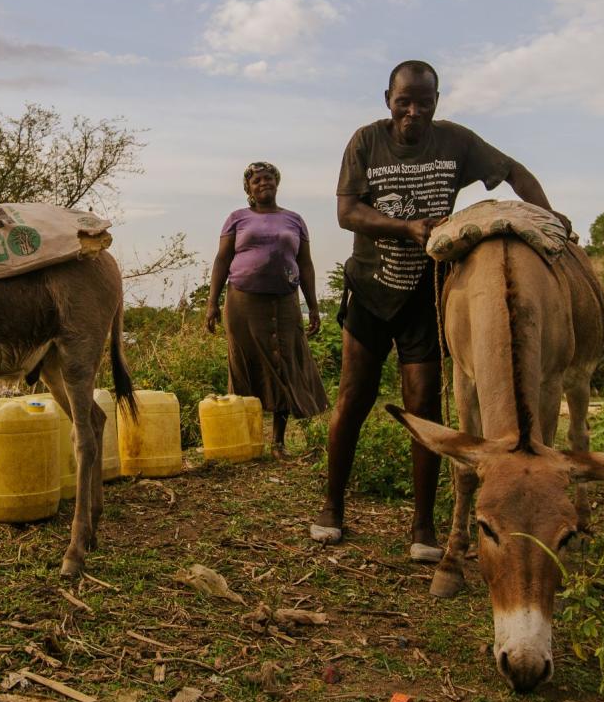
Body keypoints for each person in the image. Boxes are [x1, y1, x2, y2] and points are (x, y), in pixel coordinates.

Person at [314, 60, 569, 555]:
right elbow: (347, 213)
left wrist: (547, 216)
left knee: (426, 408)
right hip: (371, 287)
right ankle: (332, 506)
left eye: (423, 103)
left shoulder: (456, 141)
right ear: (387, 99)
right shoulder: (366, 142)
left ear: (437, 101)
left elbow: (515, 172)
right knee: (353, 398)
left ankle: (422, 527)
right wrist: (405, 228)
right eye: (403, 102)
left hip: (427, 295)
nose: (413, 112)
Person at [205, 161, 328, 455]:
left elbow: (305, 264)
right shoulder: (237, 218)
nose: (264, 184)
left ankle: (278, 442)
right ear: (248, 188)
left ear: (277, 183)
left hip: (284, 301)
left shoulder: (294, 219)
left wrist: (312, 305)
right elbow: (222, 260)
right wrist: (212, 303)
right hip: (242, 302)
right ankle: (247, 441)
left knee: (283, 362)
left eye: (269, 179)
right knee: (245, 365)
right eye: (257, 180)